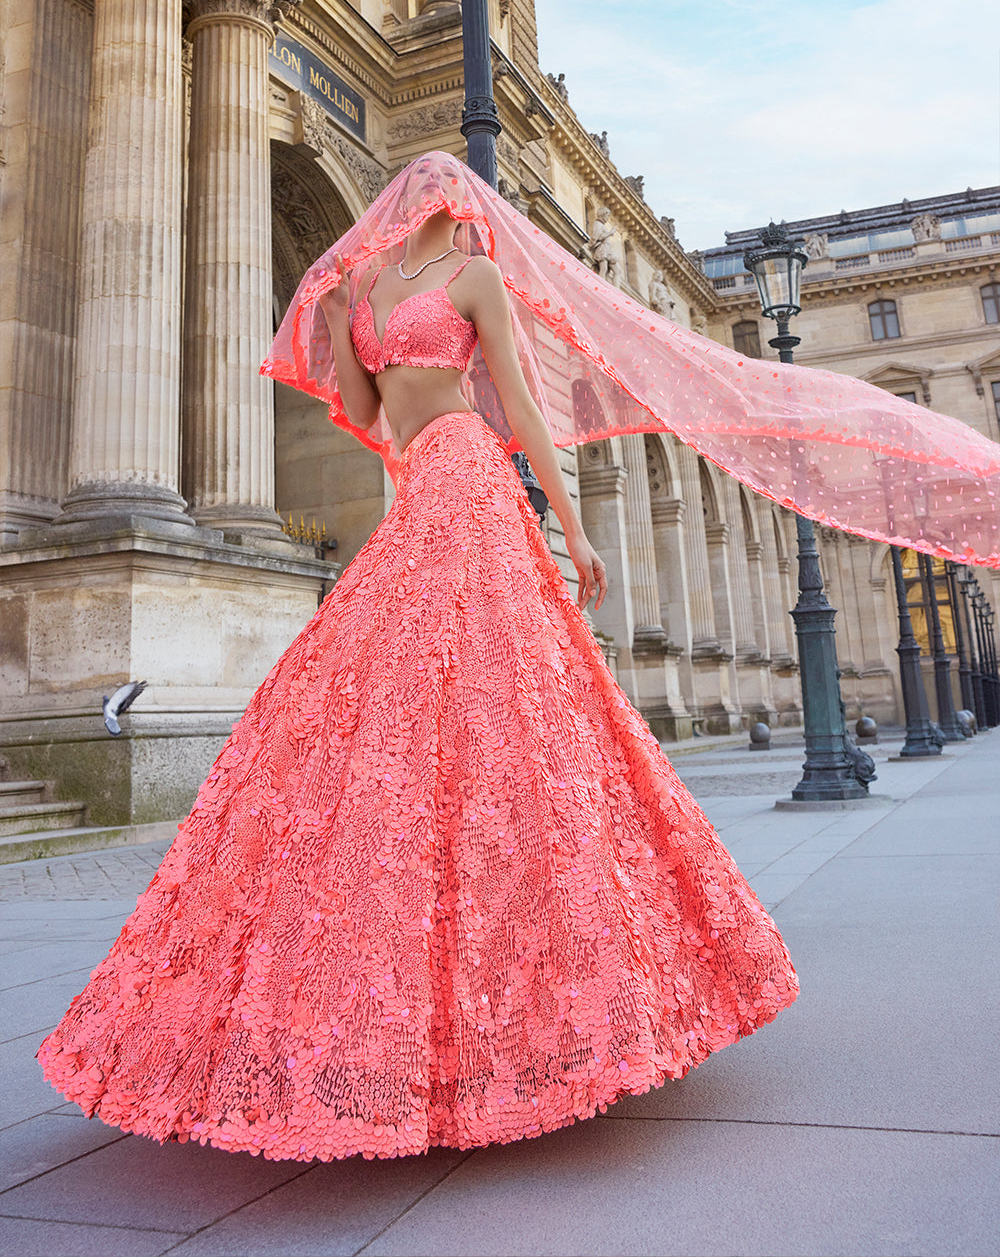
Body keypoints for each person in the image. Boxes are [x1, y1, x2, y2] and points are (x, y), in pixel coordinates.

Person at [38, 153, 800, 1163]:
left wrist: (569, 524)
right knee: (448, 693)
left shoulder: (435, 279)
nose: (434, 207)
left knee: (481, 689)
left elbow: (453, 410)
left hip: (461, 478)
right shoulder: (410, 281)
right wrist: (335, 305)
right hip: (438, 479)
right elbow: (391, 405)